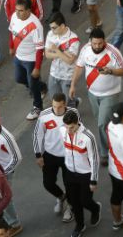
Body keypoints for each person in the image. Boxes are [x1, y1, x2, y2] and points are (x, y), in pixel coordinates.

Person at [70, 29, 123, 165]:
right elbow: (79, 67)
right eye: (94, 43)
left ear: (104, 41)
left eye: (100, 43)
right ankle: (114, 140)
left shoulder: (113, 52)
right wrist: (73, 85)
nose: (97, 46)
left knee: (102, 124)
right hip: (92, 93)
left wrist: (110, 71)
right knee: (103, 123)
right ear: (90, 41)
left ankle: (105, 153)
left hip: (110, 94)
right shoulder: (86, 50)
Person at [33, 93, 78, 222]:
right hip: (50, 154)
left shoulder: (73, 113)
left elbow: (79, 130)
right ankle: (60, 197)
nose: (56, 110)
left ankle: (71, 208)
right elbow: (37, 135)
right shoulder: (44, 115)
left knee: (69, 184)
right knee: (48, 183)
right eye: (54, 106)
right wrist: (38, 155)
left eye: (59, 107)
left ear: (65, 104)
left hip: (68, 155)